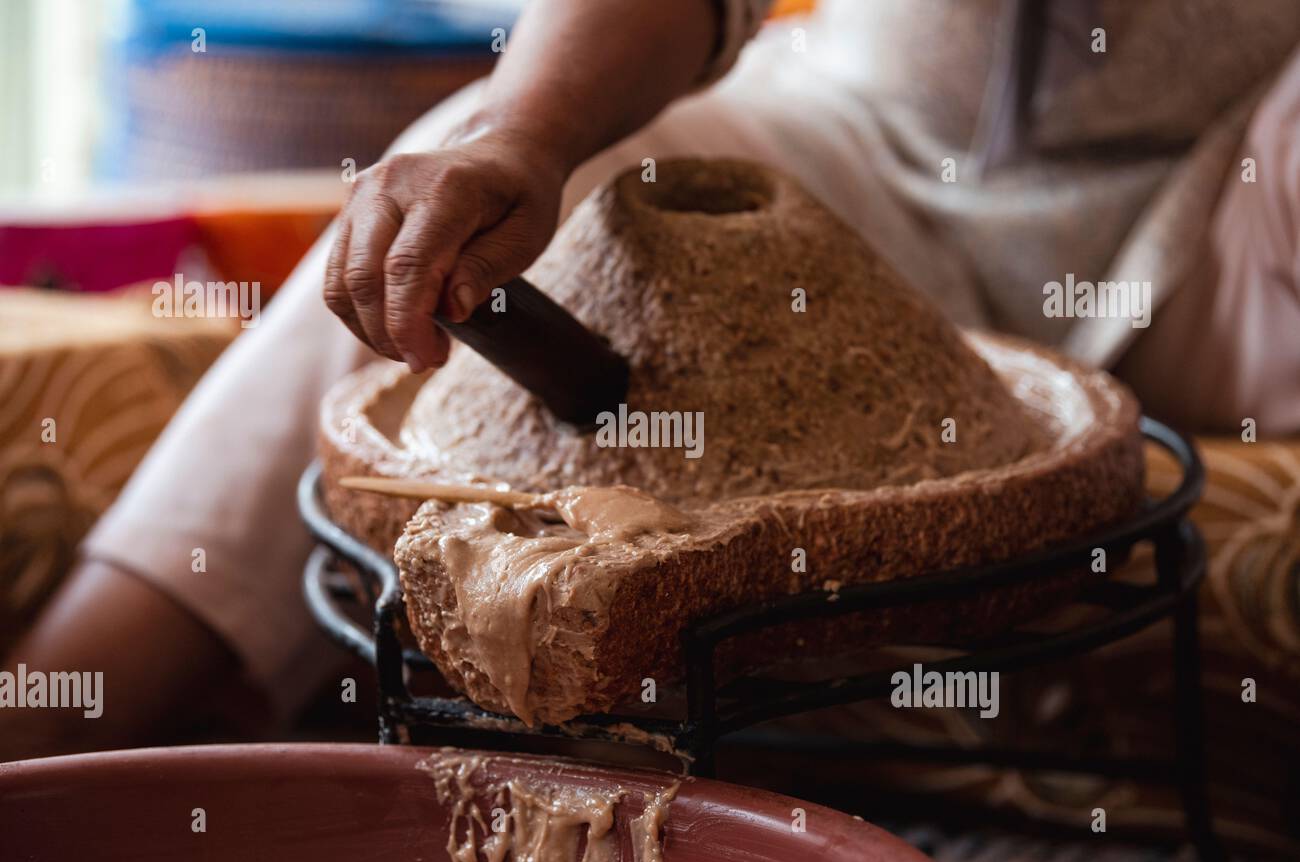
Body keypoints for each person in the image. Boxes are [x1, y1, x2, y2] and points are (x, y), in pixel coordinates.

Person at [5, 0, 1300, 761]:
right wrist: (521, 137)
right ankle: (57, 728)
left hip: (1222, 216)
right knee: (444, 177)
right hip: (842, 166)